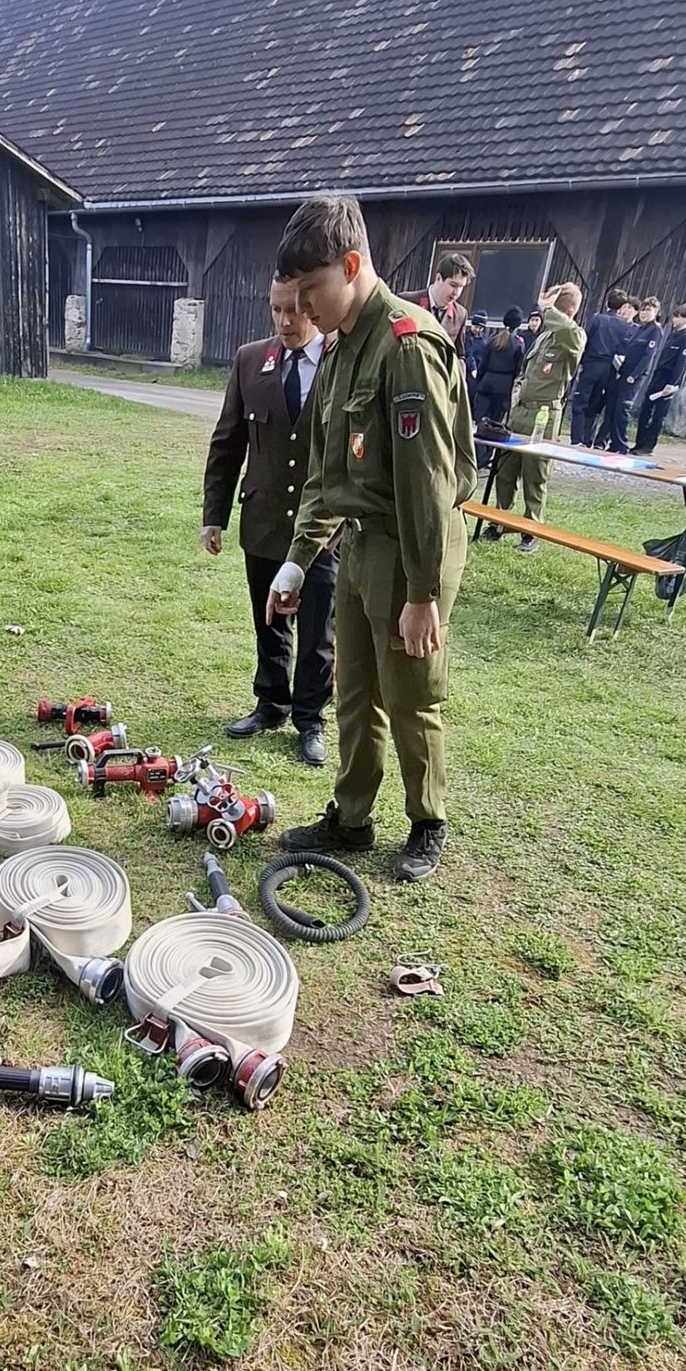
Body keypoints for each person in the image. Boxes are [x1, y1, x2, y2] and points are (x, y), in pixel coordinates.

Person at [264, 195, 475, 883]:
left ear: (352, 265)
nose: (302, 306)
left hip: (413, 547)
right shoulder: (341, 349)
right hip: (356, 548)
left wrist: (422, 594)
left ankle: (427, 820)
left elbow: (430, 486)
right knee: (352, 692)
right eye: (293, 291)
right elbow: (327, 473)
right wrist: (297, 564)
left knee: (411, 695)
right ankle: (351, 817)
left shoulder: (406, 346)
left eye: (312, 288)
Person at [201, 277, 335, 764]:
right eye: (276, 309)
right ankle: (271, 702)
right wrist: (213, 515)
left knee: (319, 628)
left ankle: (310, 719)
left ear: (314, 308)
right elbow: (228, 441)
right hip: (262, 519)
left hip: (322, 528)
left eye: (295, 311)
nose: (284, 321)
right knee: (270, 620)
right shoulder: (250, 359)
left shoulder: (341, 359)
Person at [487, 283, 585, 550]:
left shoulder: (574, 335)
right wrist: (517, 390)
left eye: (553, 310)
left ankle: (531, 531)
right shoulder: (542, 338)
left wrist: (548, 308)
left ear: (567, 310)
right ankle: (499, 521)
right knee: (505, 471)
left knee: (535, 474)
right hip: (520, 412)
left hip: (543, 414)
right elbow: (525, 373)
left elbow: (565, 328)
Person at [569, 289, 636, 446]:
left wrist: (580, 364)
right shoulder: (624, 325)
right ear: (621, 306)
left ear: (607, 302)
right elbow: (623, 348)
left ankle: (577, 438)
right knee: (595, 404)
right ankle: (587, 438)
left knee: (580, 401)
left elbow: (585, 340)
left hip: (592, 363)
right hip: (609, 367)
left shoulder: (597, 319)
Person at [600, 296, 662, 453]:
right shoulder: (639, 329)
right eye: (643, 309)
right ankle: (614, 443)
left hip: (634, 375)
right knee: (614, 407)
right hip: (623, 371)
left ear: (655, 312)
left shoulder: (655, 330)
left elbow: (648, 356)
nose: (644, 313)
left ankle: (622, 443)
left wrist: (634, 375)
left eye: (648, 310)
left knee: (623, 408)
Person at [634, 303, 686, 454]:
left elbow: (681, 363)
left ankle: (649, 446)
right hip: (658, 375)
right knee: (645, 410)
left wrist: (672, 383)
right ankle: (639, 443)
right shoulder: (672, 334)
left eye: (678, 317)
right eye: (674, 316)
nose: (674, 320)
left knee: (658, 415)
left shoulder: (685, 337)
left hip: (669, 379)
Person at [472, 306, 524, 466]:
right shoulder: (518, 344)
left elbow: (483, 363)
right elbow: (518, 368)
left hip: (487, 383)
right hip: (504, 386)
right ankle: (486, 457)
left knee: (480, 421)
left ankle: (476, 455)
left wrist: (479, 380)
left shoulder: (493, 340)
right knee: (496, 424)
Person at [402, 251, 474, 360]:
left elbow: (459, 355)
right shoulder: (406, 302)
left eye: (461, 287)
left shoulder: (461, 314)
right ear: (438, 278)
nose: (456, 292)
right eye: (453, 285)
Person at [465, 310, 490, 385]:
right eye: (476, 327)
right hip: (468, 371)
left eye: (481, 328)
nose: (478, 330)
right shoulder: (467, 337)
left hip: (480, 371)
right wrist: (473, 369)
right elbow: (468, 354)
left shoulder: (485, 339)